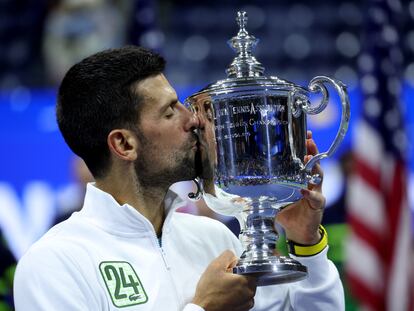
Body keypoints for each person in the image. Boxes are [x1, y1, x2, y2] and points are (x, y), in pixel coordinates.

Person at [13, 46, 344, 310]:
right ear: (124, 144)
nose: (194, 121)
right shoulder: (55, 263)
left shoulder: (216, 239)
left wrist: (306, 242)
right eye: (171, 110)